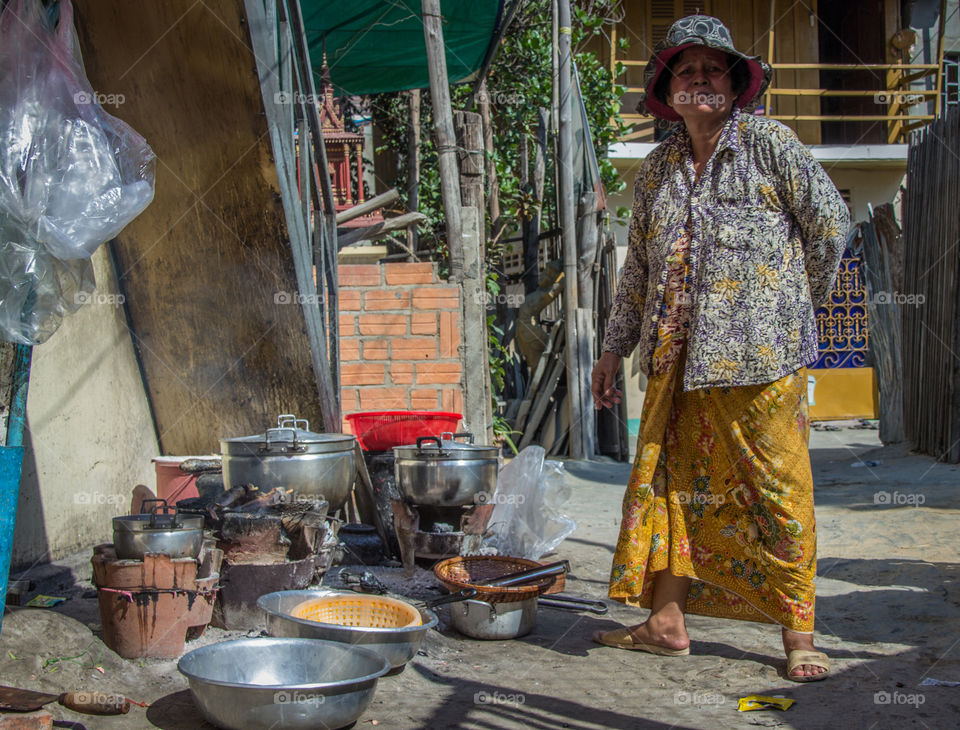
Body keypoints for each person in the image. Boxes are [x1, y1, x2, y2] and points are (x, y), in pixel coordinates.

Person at [590, 14, 849, 682]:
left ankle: (799, 638)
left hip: (764, 360)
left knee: (779, 492)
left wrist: (794, 308)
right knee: (674, 489)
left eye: (714, 68)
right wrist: (612, 350)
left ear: (735, 85)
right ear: (668, 89)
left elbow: (829, 226)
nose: (700, 78)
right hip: (676, 361)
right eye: (687, 68)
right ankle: (667, 619)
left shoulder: (769, 144)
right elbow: (637, 273)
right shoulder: (654, 172)